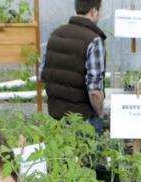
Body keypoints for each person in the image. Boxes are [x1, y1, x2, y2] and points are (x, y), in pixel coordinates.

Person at [42, 0, 107, 134]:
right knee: (88, 155)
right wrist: (100, 114)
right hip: (83, 120)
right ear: (94, 11)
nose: (101, 15)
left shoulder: (55, 35)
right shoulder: (94, 40)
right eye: (100, 11)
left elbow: (42, 74)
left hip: (56, 119)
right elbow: (94, 90)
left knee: (60, 155)